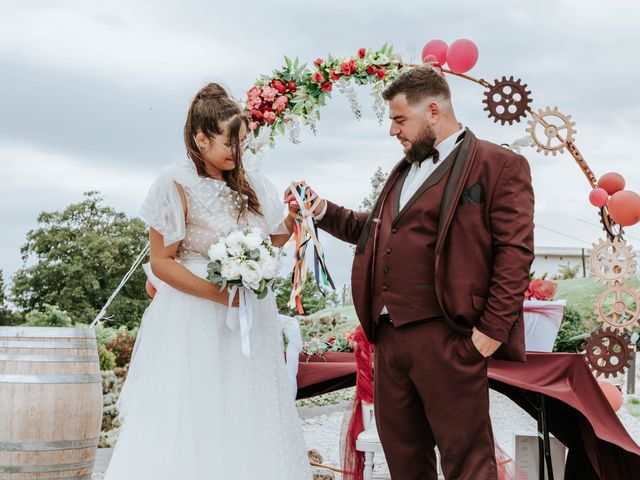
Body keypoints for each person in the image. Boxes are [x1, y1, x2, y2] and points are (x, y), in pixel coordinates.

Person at [290, 66, 535, 479]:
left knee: (467, 462)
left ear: (434, 110)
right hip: (389, 342)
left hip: (450, 338)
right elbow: (375, 231)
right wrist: (321, 210)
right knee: (404, 461)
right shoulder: (404, 170)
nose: (393, 131)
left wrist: (489, 333)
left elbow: (515, 253)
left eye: (400, 120)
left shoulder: (500, 164)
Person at [104, 83, 311, 480]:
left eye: (242, 142)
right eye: (229, 143)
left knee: (249, 408)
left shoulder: (252, 183)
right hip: (196, 316)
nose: (237, 152)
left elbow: (273, 238)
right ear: (200, 138)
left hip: (252, 315)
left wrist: (299, 214)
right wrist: (217, 296)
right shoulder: (174, 183)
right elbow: (162, 263)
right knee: (196, 411)